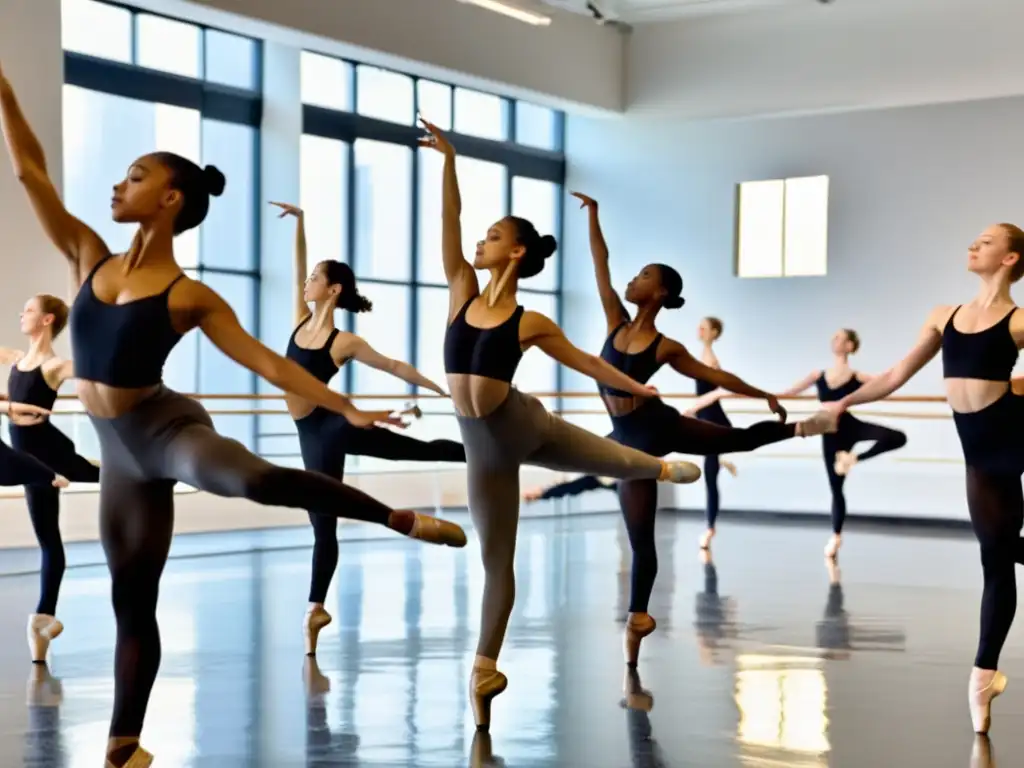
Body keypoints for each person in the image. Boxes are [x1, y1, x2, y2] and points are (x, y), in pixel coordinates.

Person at [1, 67, 466, 768]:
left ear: (169, 198)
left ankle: (390, 516)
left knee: (252, 480)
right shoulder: (87, 256)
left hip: (167, 432)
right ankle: (124, 746)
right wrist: (7, 94)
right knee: (133, 596)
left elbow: (270, 364)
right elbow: (30, 173)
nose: (118, 186)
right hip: (118, 453)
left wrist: (347, 406)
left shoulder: (192, 295)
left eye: (134, 177)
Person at [420, 117, 703, 732]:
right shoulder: (460, 290)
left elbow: (590, 361)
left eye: (492, 237)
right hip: (483, 451)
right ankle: (485, 669)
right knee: (498, 561)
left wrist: (638, 387)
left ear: (515, 253)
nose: (479, 243)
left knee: (608, 456)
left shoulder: (530, 321)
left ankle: (657, 465)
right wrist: (448, 162)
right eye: (483, 235)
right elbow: (450, 224)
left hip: (525, 425)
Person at [572, 191, 835, 668]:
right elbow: (601, 265)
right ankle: (638, 619)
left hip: (657, 427)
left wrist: (765, 395)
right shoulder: (614, 319)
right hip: (628, 438)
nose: (633, 280)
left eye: (644, 276)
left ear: (660, 294)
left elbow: (719, 378)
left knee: (739, 440)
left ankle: (800, 427)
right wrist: (594, 217)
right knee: (640, 539)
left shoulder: (665, 345)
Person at [824, 223, 1024, 734]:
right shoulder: (945, 316)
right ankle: (983, 677)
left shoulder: (1020, 320)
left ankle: (982, 674)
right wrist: (843, 402)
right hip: (980, 454)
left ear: (1010, 259)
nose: (973, 244)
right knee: (996, 560)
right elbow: (894, 375)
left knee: (999, 556)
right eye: (975, 238)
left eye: (987, 240)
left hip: (1015, 435)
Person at [272, 201, 468, 655]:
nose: (307, 283)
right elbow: (296, 265)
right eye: (308, 279)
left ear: (333, 289)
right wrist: (302, 223)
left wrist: (436, 388)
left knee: (330, 520)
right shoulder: (299, 320)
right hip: (311, 434)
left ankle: (314, 606)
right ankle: (317, 608)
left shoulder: (344, 342)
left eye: (315, 279)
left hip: (332, 427)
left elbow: (393, 364)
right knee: (330, 518)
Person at [0, 294, 102, 662]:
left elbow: (95, 368)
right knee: (48, 539)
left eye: (27, 310)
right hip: (30, 459)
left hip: (49, 453)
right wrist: (8, 405)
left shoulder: (55, 366)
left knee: (99, 476)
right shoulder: (15, 358)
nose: (21, 313)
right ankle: (43, 622)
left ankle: (43, 618)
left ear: (46, 321)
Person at [780, 328, 907, 558]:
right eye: (833, 337)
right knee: (836, 489)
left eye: (840, 337)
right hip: (830, 434)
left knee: (897, 437)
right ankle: (836, 537)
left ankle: (854, 458)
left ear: (850, 346)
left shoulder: (857, 376)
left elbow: (885, 383)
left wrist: (899, 371)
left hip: (850, 426)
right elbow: (789, 392)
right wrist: (758, 395)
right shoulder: (818, 375)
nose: (834, 340)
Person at [683, 316, 739, 550]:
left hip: (713, 420)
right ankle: (709, 527)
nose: (699, 329)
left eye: (703, 327)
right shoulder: (704, 358)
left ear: (714, 333)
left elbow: (716, 394)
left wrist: (692, 409)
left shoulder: (711, 361)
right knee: (709, 474)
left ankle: (709, 529)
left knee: (709, 477)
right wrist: (695, 410)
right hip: (707, 419)